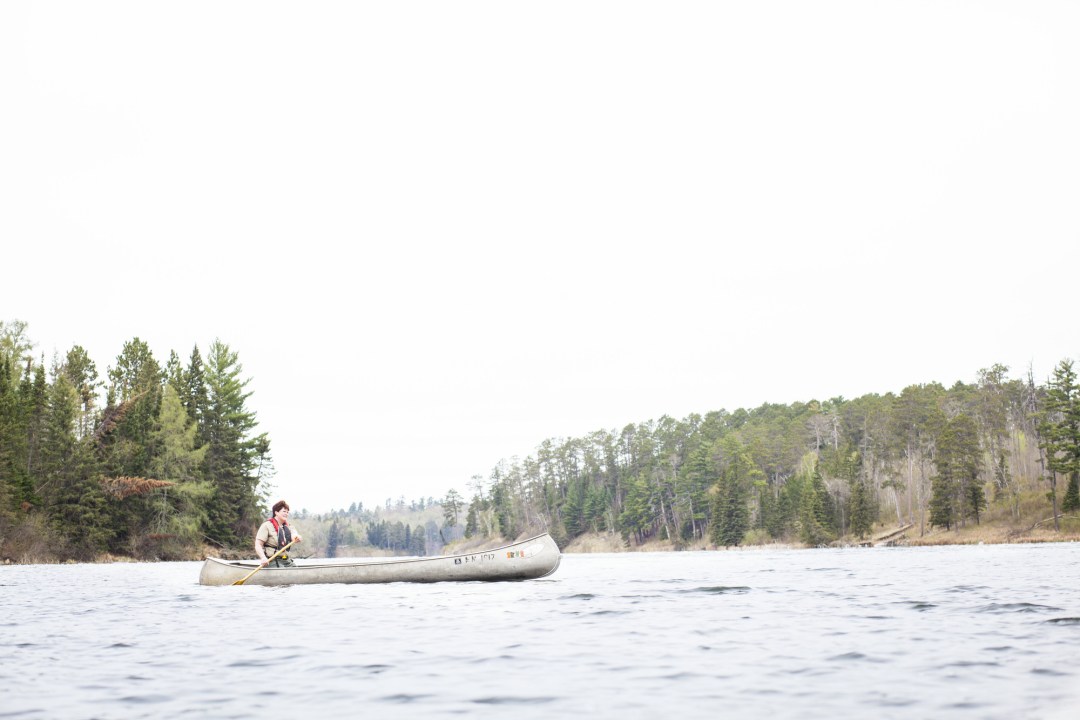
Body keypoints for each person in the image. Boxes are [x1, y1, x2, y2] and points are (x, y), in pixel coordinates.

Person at [255, 500, 303, 567]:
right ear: (276, 512)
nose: (286, 513)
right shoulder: (266, 526)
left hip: (286, 560)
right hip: (272, 561)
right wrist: (263, 558)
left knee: (297, 572)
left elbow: (294, 535)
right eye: (284, 511)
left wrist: (297, 537)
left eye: (287, 512)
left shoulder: (289, 526)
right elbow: (258, 544)